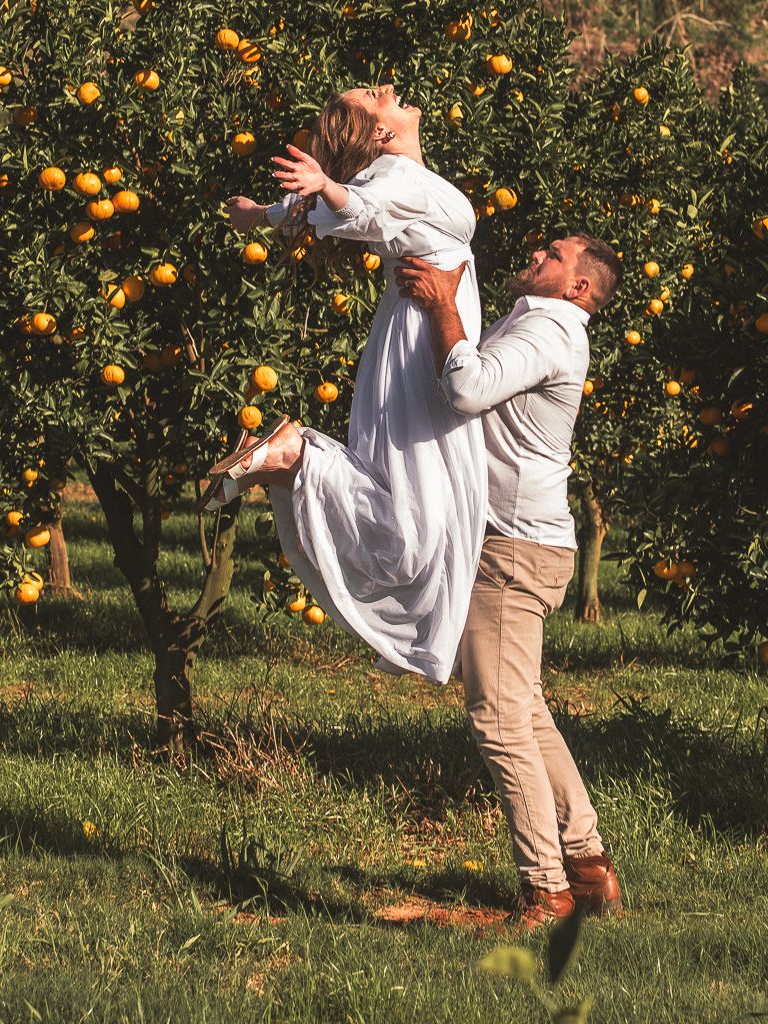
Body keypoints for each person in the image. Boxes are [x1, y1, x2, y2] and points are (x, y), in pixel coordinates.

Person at [205, 83, 488, 684]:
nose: (389, 86)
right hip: (420, 347)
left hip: (425, 337)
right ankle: (298, 456)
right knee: (419, 522)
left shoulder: (400, 173)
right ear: (380, 135)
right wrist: (327, 189)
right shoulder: (391, 174)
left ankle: (458, 635)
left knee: (432, 506)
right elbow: (356, 211)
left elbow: (340, 205)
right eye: (375, 95)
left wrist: (262, 214)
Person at [395, 233, 625, 929]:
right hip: (524, 543)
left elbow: (465, 387)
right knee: (522, 707)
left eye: (554, 254)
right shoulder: (538, 320)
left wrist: (441, 307)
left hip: (512, 551)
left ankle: (544, 890)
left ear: (578, 286)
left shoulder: (550, 329)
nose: (537, 255)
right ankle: (587, 866)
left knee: (496, 719)